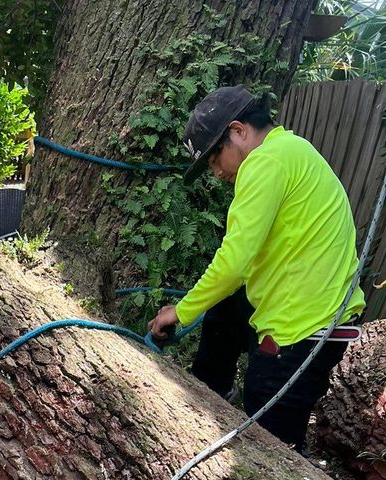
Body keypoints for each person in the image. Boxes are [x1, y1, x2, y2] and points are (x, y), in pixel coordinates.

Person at [148, 86, 365, 453]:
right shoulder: (291, 150)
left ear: (238, 131)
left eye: (214, 158)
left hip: (304, 330)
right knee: (226, 310)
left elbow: (234, 262)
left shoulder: (264, 163)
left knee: (267, 445)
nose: (215, 172)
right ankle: (207, 394)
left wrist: (181, 311)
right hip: (315, 309)